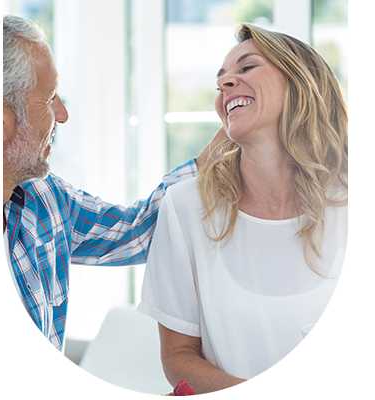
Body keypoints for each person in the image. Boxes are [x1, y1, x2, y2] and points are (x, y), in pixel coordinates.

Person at [3, 15, 226, 396]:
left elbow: (136, 232)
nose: (63, 115)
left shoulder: (45, 200)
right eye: (48, 99)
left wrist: (230, 135)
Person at [138, 23, 348, 396]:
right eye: (221, 80)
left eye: (247, 67)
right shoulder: (186, 208)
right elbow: (177, 355)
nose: (225, 85)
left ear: (300, 82)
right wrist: (247, 392)